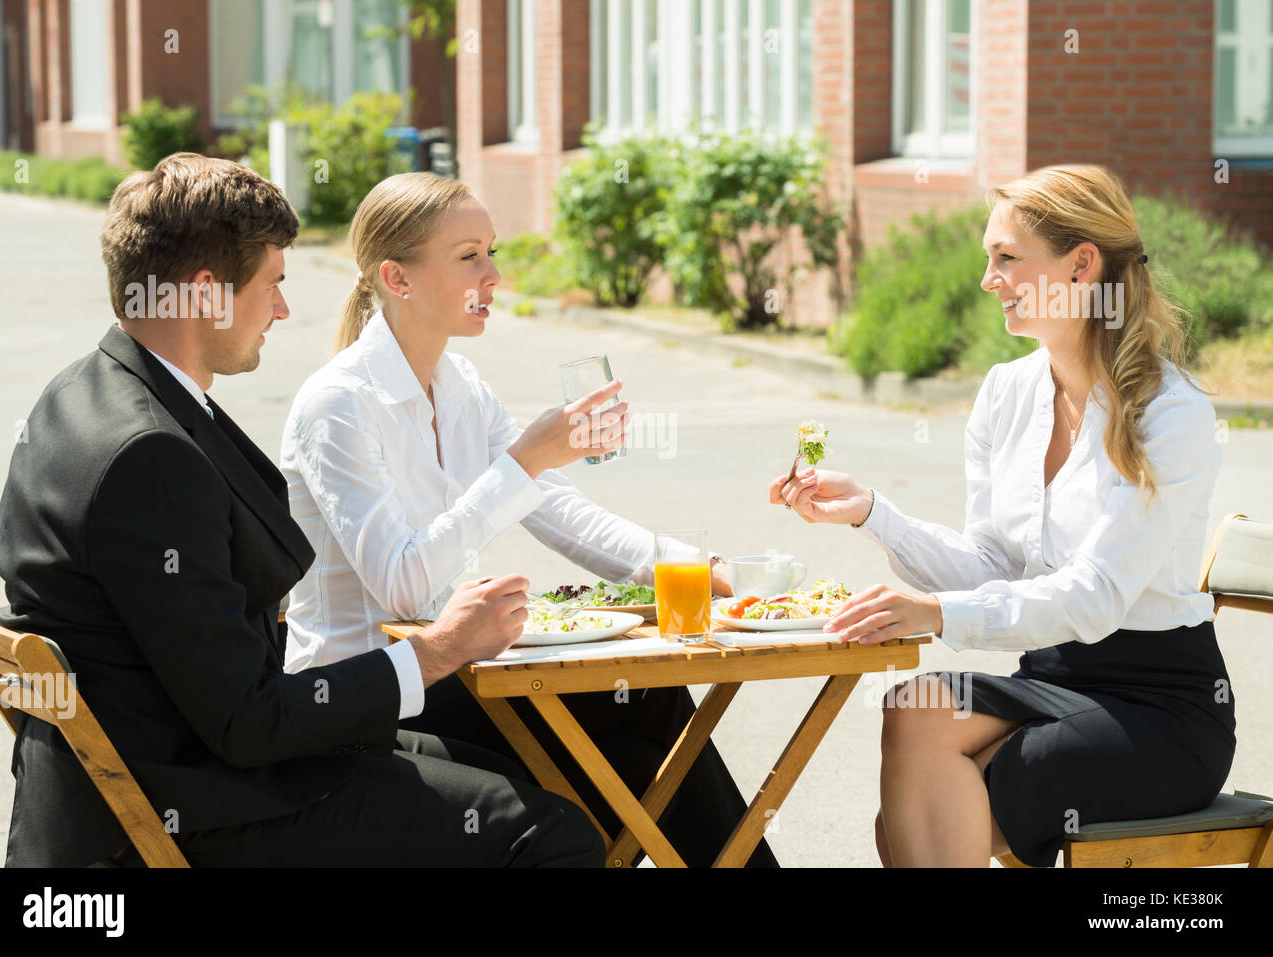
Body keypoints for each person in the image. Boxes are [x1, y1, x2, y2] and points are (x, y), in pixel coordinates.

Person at [0, 153, 603, 867]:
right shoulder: (146, 455)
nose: (283, 308)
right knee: (550, 832)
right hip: (190, 811)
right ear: (206, 295)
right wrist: (436, 649)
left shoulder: (81, 394)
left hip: (176, 766)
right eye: (273, 284)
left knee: (546, 770)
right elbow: (246, 721)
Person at [280, 172, 777, 867]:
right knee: (594, 778)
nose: (495, 274)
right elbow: (401, 584)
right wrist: (521, 462)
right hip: (372, 700)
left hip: (458, 674)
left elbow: (560, 510)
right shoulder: (338, 405)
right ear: (398, 277)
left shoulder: (461, 386)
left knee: (650, 702)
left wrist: (698, 567)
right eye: (469, 257)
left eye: (491, 251)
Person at [771, 164, 1235, 868]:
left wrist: (935, 611)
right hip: (1049, 678)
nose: (989, 279)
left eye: (1007, 258)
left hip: (1162, 706)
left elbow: (1097, 595)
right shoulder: (1006, 393)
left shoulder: (1171, 414)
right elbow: (991, 566)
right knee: (916, 712)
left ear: (1082, 265)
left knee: (912, 817)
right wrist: (873, 514)